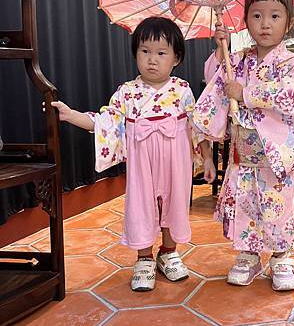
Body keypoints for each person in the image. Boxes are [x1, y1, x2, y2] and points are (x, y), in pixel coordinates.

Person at [52, 17, 215, 292]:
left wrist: (208, 158)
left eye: (161, 53)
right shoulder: (127, 93)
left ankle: (169, 252)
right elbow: (105, 122)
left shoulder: (182, 90)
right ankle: (144, 259)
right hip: (143, 164)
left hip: (176, 162)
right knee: (142, 206)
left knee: (174, 202)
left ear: (176, 58)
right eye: (145, 51)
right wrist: (72, 116)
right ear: (135, 54)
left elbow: (197, 127)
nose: (152, 59)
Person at [193, 0, 294, 291]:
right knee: (245, 203)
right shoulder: (237, 59)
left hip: (275, 154)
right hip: (243, 151)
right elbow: (217, 81)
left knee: (277, 205)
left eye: (275, 16)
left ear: (288, 23)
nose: (265, 24)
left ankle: (281, 256)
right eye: (256, 16)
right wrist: (219, 50)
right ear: (246, 21)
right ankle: (249, 256)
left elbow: (288, 96)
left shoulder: (290, 63)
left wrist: (247, 92)